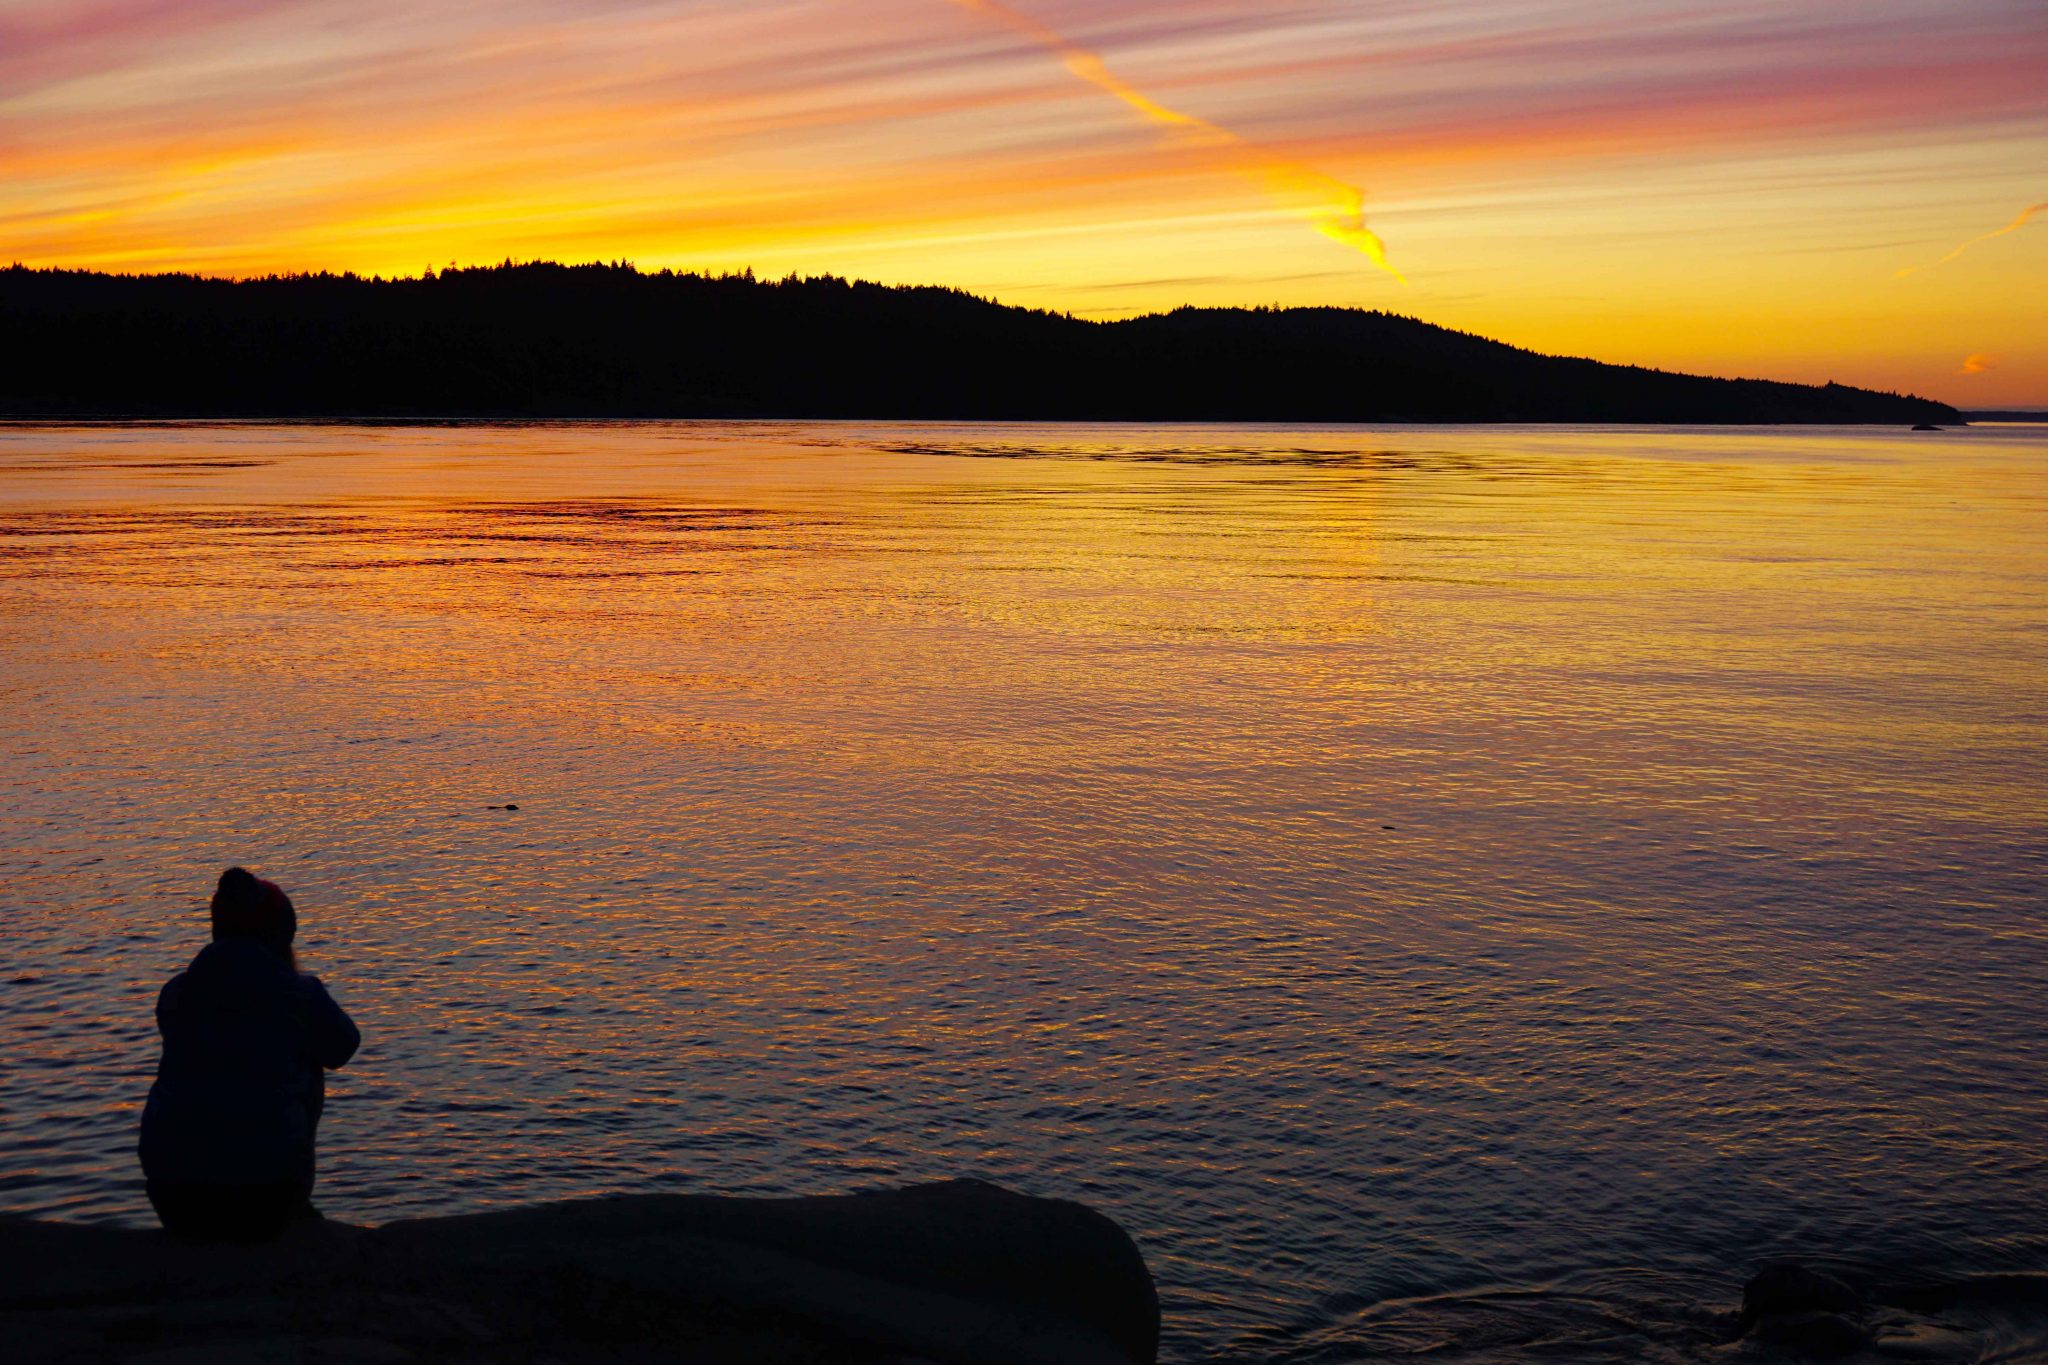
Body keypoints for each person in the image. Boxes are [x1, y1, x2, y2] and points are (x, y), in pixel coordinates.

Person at [138, 867, 360, 1240]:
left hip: (172, 1191)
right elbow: (343, 1047)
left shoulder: (176, 992)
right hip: (264, 1193)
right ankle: (295, 1205)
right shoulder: (297, 994)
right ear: (281, 935)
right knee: (309, 1058)